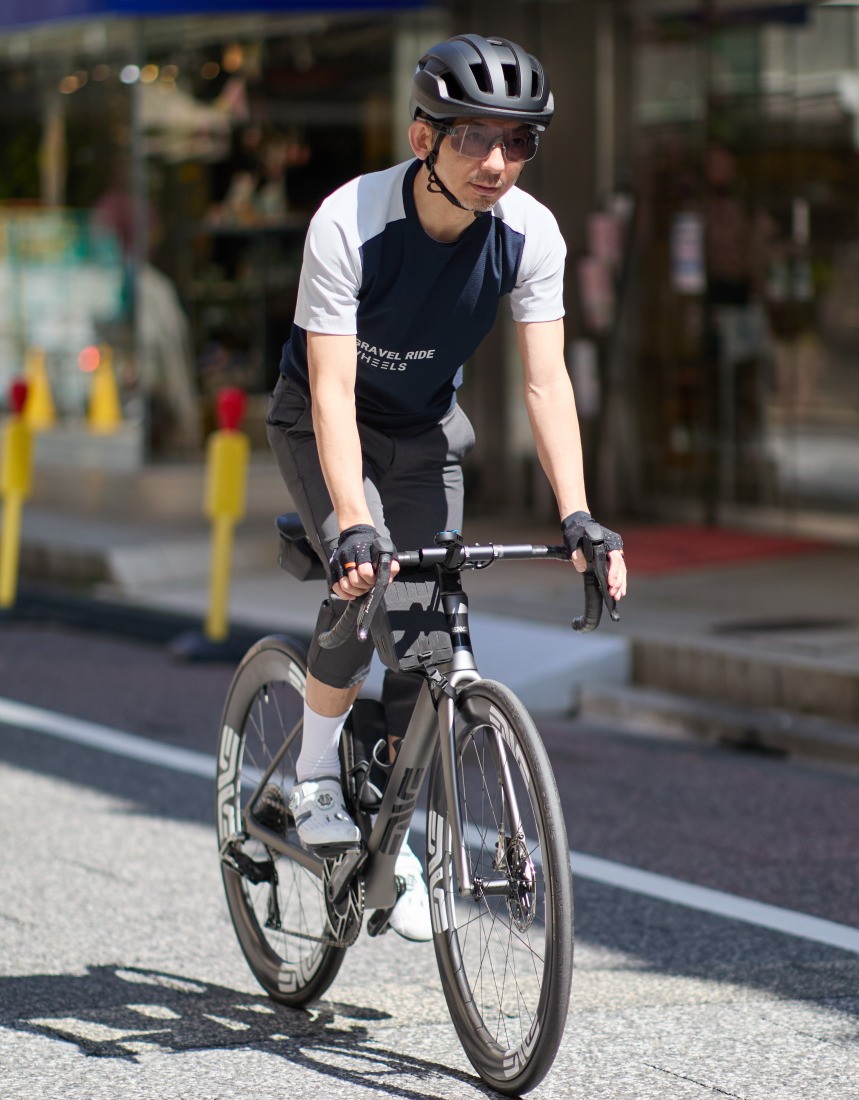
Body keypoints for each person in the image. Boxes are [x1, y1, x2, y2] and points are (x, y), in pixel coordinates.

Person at [266, 33, 627, 941]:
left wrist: (578, 513)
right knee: (369, 579)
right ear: (424, 138)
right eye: (473, 137)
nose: (496, 162)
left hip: (425, 430)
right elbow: (332, 390)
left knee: (426, 639)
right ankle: (313, 774)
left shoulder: (530, 234)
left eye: (518, 142)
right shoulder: (348, 221)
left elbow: (546, 383)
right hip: (323, 420)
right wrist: (355, 523)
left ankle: (396, 834)